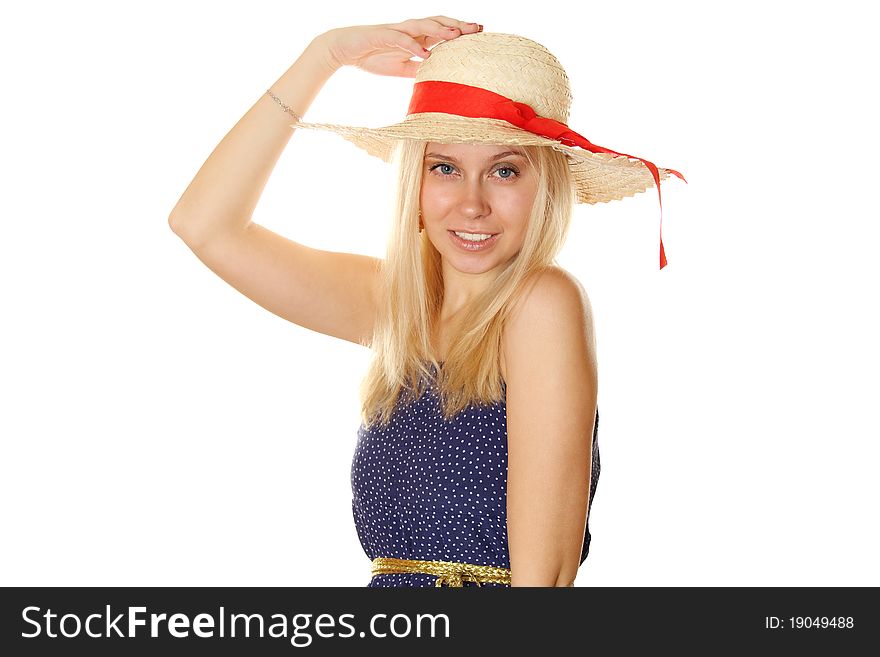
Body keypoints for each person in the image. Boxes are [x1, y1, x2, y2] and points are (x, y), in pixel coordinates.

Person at [169, 16, 685, 587]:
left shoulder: (540, 304)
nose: (472, 204)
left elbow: (544, 580)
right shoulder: (397, 307)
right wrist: (324, 56)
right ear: (415, 183)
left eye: (504, 171)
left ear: (546, 189)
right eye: (445, 168)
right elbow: (203, 225)